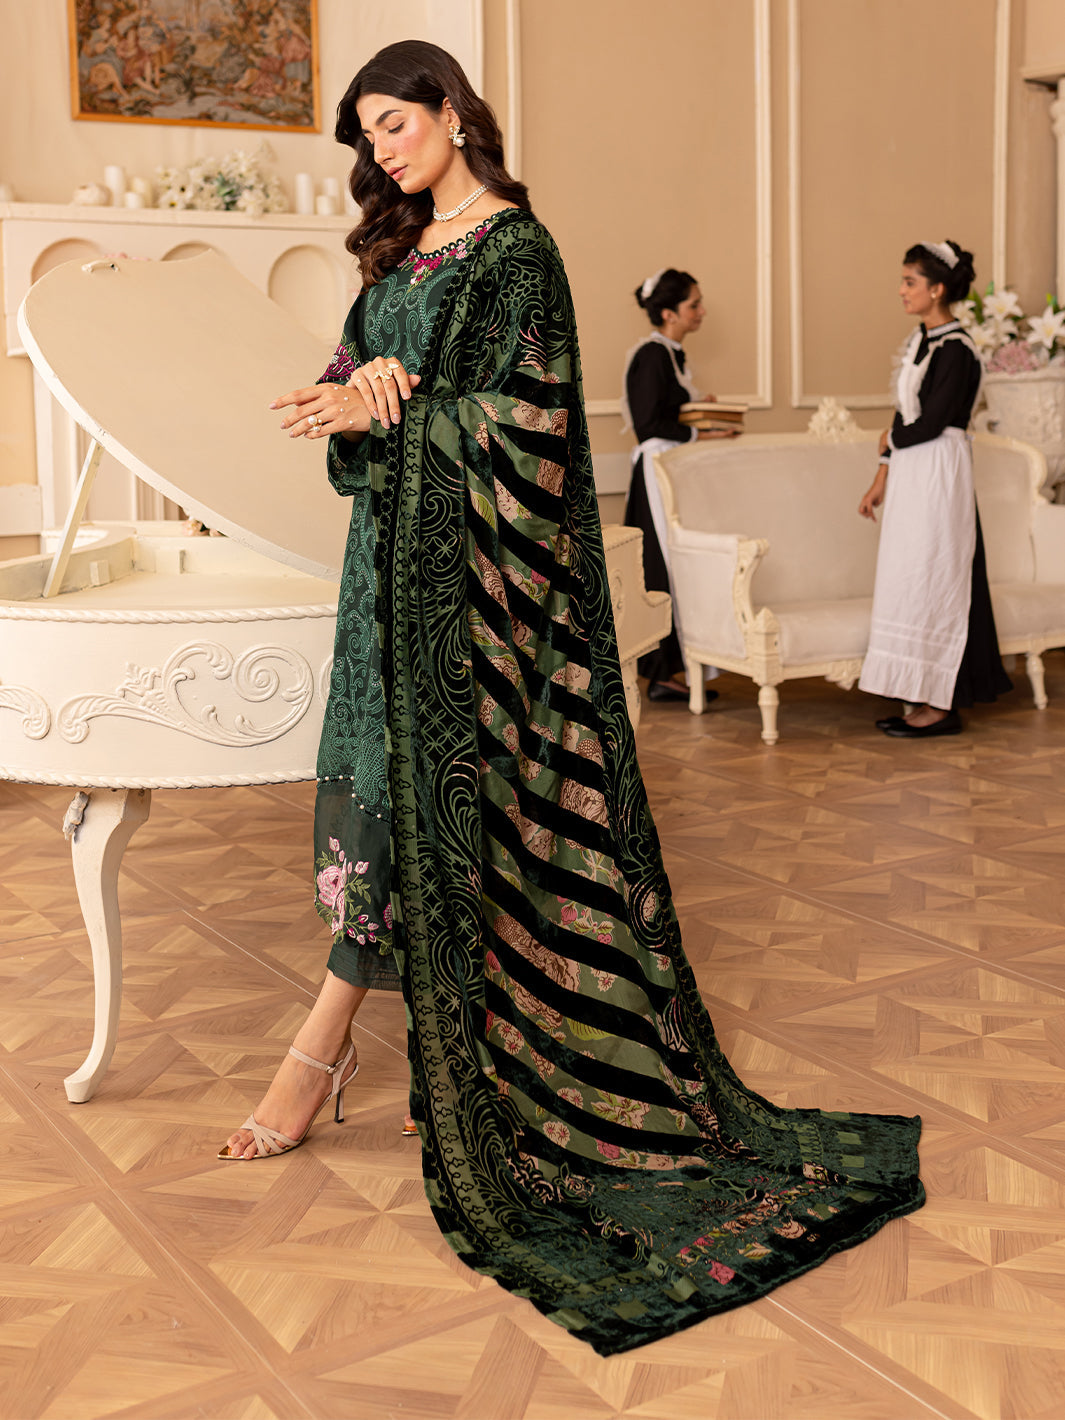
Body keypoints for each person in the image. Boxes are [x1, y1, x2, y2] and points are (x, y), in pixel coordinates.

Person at [219, 40, 923, 1355]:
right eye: (365, 134)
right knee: (378, 810)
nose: (381, 149)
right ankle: (328, 1043)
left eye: (393, 121)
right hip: (388, 584)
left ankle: (316, 1052)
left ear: (449, 111)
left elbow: (537, 431)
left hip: (481, 612)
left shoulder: (515, 253)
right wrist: (354, 398)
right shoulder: (394, 258)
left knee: (439, 821)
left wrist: (405, 407)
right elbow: (340, 393)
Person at [858, 240, 1012, 737]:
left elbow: (932, 421)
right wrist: (882, 473)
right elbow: (904, 415)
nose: (902, 290)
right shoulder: (919, 341)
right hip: (911, 471)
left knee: (936, 572)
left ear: (938, 289)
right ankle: (919, 694)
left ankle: (941, 705)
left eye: (910, 282)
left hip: (939, 471)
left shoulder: (957, 349)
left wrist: (891, 439)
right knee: (911, 574)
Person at [621, 269, 730, 701]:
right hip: (655, 474)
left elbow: (666, 412)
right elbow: (649, 425)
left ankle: (673, 669)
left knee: (673, 563)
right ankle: (661, 672)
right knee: (660, 564)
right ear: (669, 313)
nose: (702, 312)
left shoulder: (669, 355)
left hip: (669, 471)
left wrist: (699, 411)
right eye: (694, 305)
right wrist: (702, 431)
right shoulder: (651, 355)